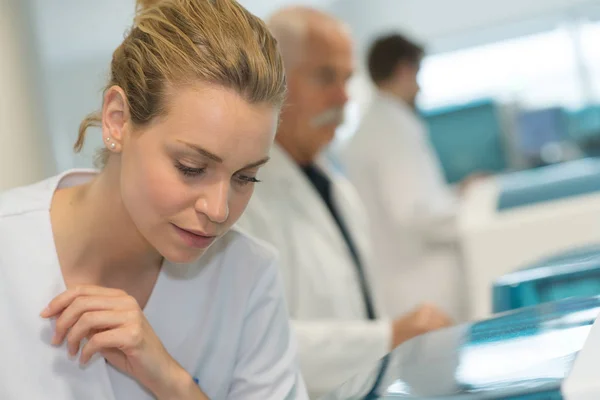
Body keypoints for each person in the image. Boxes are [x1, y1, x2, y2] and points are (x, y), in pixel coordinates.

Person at [0, 0, 308, 399]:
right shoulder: (8, 249)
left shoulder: (247, 276)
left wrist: (170, 380)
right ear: (117, 120)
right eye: (191, 167)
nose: (218, 210)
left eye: (245, 177)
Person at [236, 7, 452, 398]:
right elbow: (254, 342)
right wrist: (389, 335)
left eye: (347, 78)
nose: (343, 96)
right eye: (324, 77)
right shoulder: (240, 202)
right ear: (272, 81)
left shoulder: (334, 185)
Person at [339, 33, 468, 322]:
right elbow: (415, 215)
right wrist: (470, 212)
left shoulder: (376, 127)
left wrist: (455, 196)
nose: (419, 85)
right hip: (422, 288)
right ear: (404, 70)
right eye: (417, 73)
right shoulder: (391, 131)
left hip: (402, 286)